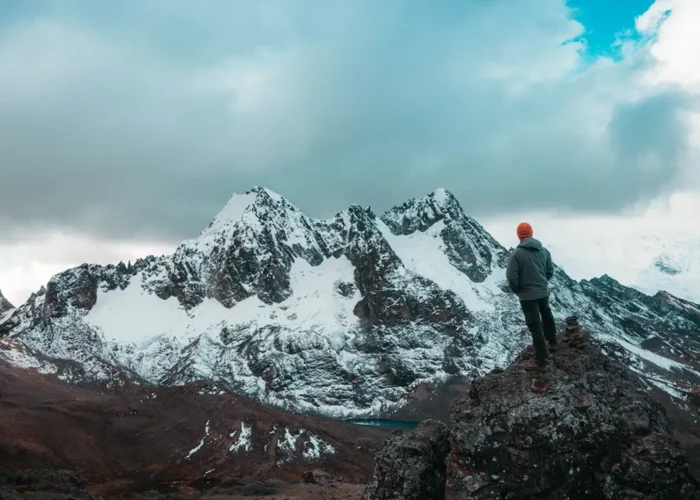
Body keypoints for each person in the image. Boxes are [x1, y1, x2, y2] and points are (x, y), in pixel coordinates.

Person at [506, 222, 557, 370]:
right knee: (547, 314)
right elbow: (550, 271)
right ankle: (552, 343)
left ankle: (541, 361)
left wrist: (518, 289)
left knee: (535, 325)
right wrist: (542, 282)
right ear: (531, 233)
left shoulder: (517, 254)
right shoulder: (544, 251)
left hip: (527, 295)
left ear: (518, 235)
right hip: (542, 291)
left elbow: (511, 276)